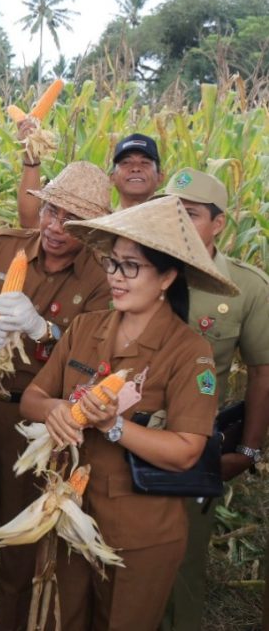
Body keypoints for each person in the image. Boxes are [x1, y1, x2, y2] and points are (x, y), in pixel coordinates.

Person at [20, 195, 239, 630]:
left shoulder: (188, 352)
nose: (116, 277)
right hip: (71, 513)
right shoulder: (85, 327)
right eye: (112, 263)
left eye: (131, 267)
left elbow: (185, 451)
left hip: (141, 532)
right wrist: (58, 410)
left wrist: (114, 426)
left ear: (166, 277)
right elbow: (32, 398)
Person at [0, 162, 113, 631]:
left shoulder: (100, 275)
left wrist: (46, 330)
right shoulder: (2, 246)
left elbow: (99, 351)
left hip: (41, 424)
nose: (54, 227)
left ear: (90, 229)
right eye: (50, 211)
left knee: (21, 547)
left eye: (69, 221)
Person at [156, 169, 269, 631]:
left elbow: (263, 371)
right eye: (172, 211)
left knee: (182, 563)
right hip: (122, 436)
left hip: (193, 444)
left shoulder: (247, 287)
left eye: (193, 214)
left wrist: (249, 449)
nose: (179, 222)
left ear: (220, 224)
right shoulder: (135, 266)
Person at [17, 132, 164, 227]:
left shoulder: (173, 227)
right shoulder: (95, 226)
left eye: (145, 163)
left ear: (160, 177)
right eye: (126, 163)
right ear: (111, 178)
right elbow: (31, 224)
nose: (136, 168)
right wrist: (31, 160)